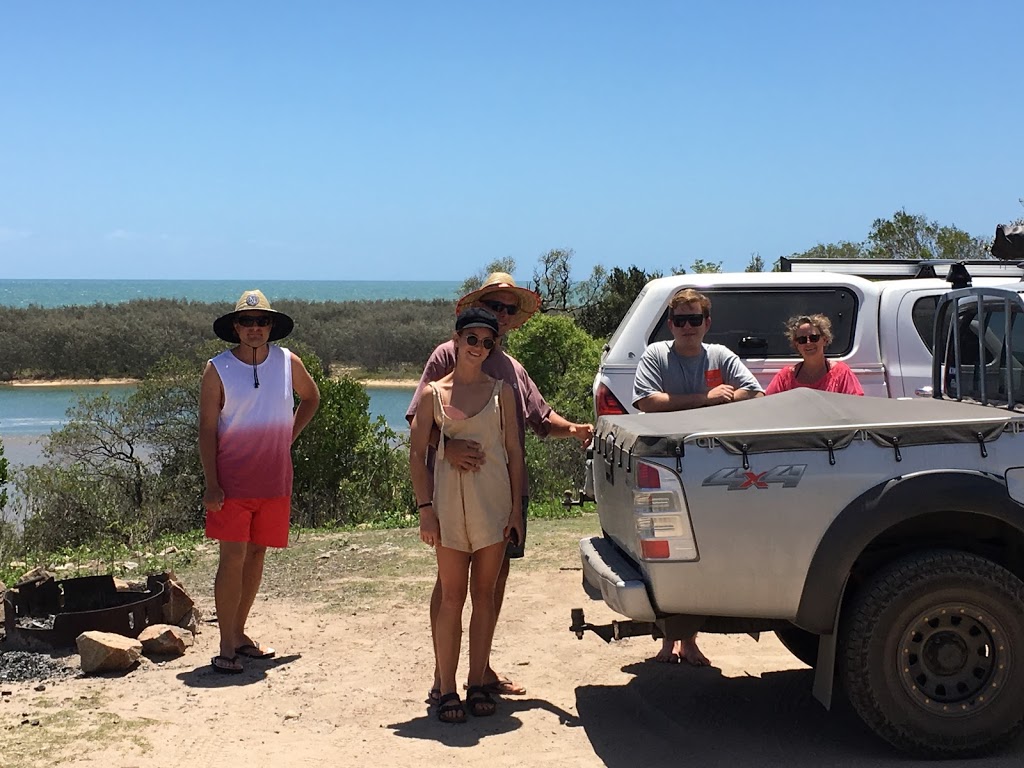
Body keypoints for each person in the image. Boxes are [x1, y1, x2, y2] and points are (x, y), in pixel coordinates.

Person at [406, 272, 593, 701]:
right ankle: (443, 678)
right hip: (453, 495)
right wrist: (447, 446)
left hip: (505, 493)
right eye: (495, 306)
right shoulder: (442, 359)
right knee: (449, 587)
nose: (502, 315)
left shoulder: (511, 372)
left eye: (510, 309)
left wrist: (578, 428)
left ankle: (481, 672)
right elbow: (419, 422)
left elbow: (541, 421)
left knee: (492, 586)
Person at [632, 287, 763, 666]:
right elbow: (647, 402)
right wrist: (707, 399)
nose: (687, 327)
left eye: (694, 319)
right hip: (662, 468)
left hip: (709, 469)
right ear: (670, 324)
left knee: (697, 555)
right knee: (662, 553)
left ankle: (688, 641)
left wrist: (729, 397)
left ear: (707, 323)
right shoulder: (657, 354)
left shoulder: (720, 356)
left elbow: (754, 393)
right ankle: (665, 642)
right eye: (680, 320)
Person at [409, 308, 523, 723]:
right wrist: (425, 511)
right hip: (448, 511)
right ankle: (447, 689)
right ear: (456, 340)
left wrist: (517, 512)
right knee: (451, 598)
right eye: (471, 339)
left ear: (494, 346)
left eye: (486, 342)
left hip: (493, 508)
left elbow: (514, 454)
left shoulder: (502, 392)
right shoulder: (432, 395)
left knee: (485, 596)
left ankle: (478, 682)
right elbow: (416, 455)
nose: (478, 347)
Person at [199, 289, 320, 674]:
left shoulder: (287, 361)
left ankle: (239, 635)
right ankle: (225, 646)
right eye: (247, 322)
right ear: (236, 327)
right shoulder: (216, 368)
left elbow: (312, 398)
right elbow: (205, 430)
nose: (255, 328)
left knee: (256, 555)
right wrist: (211, 483)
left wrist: (288, 436)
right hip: (232, 483)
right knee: (231, 558)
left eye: (262, 321)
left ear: (271, 326)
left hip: (274, 480)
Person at [765, 314, 864, 396]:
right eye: (802, 340)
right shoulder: (785, 377)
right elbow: (767, 405)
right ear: (797, 345)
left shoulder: (841, 373)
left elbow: (855, 404)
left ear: (824, 340)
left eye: (814, 338)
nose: (808, 343)